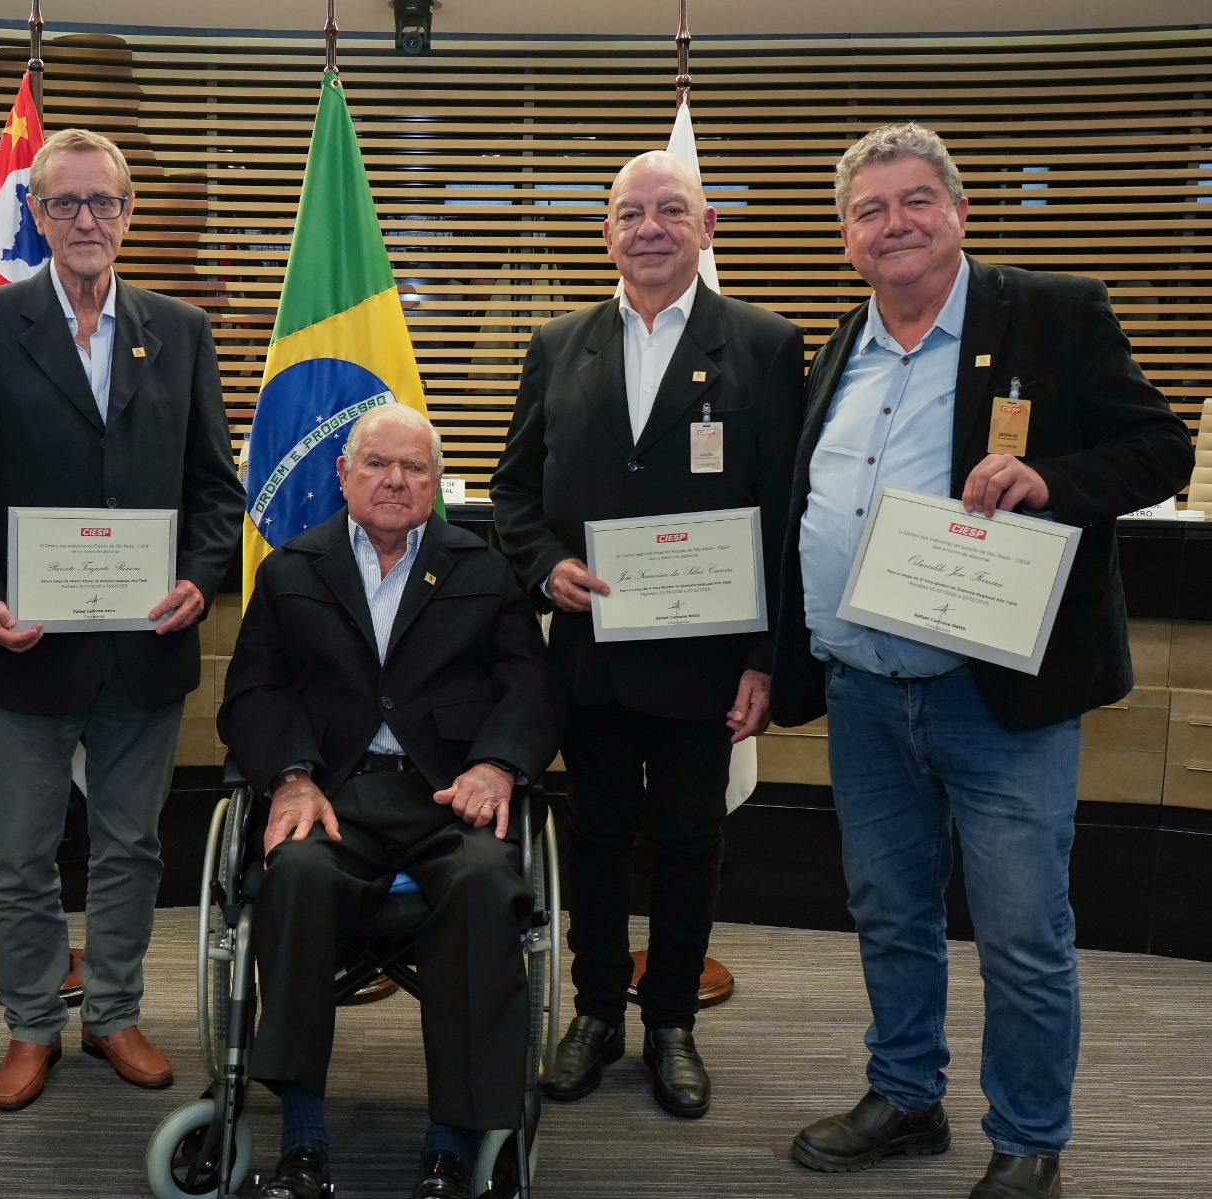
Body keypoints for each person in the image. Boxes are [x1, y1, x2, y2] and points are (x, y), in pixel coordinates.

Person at [772, 123, 1193, 1199]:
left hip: (994, 693)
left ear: (957, 212)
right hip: (864, 688)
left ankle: (1029, 1134)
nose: (894, 223)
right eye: (869, 210)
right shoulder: (838, 343)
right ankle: (906, 1094)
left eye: (916, 200)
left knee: (1019, 928)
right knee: (889, 910)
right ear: (845, 237)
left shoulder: (1049, 315)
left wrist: (1048, 479)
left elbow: (1161, 446)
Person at [489, 149, 805, 1118]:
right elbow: (511, 494)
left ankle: (670, 1021)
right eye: (631, 213)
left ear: (706, 228)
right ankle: (593, 1013)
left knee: (685, 839)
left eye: (672, 210)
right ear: (607, 233)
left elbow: (786, 509)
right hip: (589, 656)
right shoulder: (558, 343)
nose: (651, 228)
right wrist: (547, 567)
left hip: (704, 664)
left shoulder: (763, 343)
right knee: (595, 838)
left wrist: (765, 656)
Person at [0, 127, 242, 1112]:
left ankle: (111, 1009)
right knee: (21, 853)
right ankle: (31, 1024)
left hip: (143, 649)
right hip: (21, 652)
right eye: (64, 203)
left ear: (127, 212)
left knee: (131, 846)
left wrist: (200, 575)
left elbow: (214, 491)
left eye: (102, 201)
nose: (85, 219)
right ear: (35, 211)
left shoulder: (181, 329)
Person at [219, 404, 563, 1199]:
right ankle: (303, 1139)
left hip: (451, 793)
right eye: (378, 463)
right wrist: (292, 775)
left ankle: (453, 1140)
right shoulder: (290, 569)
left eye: (415, 467)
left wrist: (498, 766)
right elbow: (252, 692)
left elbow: (530, 686)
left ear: (437, 482)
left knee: (484, 886)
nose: (396, 481)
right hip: (333, 792)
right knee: (294, 876)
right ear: (343, 474)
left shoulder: (483, 566)